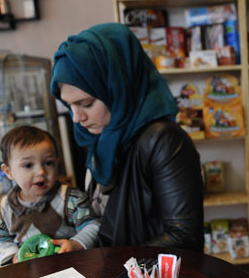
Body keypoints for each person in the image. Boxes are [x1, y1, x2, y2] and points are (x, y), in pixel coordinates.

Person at [50, 23, 204, 250]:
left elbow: (183, 237)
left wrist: (108, 263)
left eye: (86, 104)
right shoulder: (100, 137)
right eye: (69, 105)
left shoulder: (164, 142)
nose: (76, 117)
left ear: (118, 88)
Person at [0, 125, 100, 266]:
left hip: (70, 265)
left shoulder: (71, 199)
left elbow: (92, 226)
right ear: (8, 171)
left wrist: (76, 244)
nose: (41, 171)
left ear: (57, 164)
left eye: (48, 163)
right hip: (29, 272)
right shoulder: (3, 210)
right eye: (28, 165)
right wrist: (13, 256)